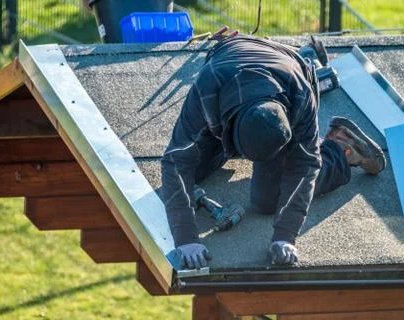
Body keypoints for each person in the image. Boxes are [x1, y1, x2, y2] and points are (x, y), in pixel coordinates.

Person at [161, 34, 386, 269]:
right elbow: (175, 161)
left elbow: (305, 166)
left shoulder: (301, 98)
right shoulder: (208, 87)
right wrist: (185, 238)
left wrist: (285, 236)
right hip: (232, 62)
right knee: (190, 171)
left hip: (289, 75)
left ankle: (340, 147)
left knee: (267, 200)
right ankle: (304, 54)